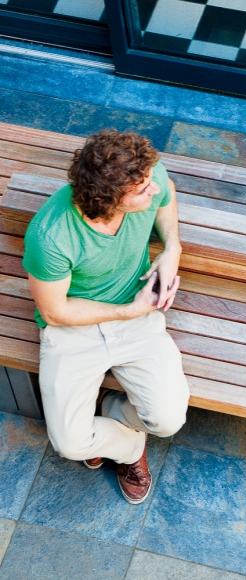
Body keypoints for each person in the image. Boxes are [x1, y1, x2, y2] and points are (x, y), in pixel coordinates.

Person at [22, 130, 190, 504]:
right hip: (73, 327)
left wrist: (172, 247)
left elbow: (167, 190)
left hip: (137, 318)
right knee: (69, 443)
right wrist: (128, 310)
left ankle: (113, 411)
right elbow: (56, 310)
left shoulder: (146, 178)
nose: (153, 191)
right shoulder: (51, 236)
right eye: (143, 190)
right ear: (110, 199)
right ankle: (129, 448)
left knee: (167, 420)